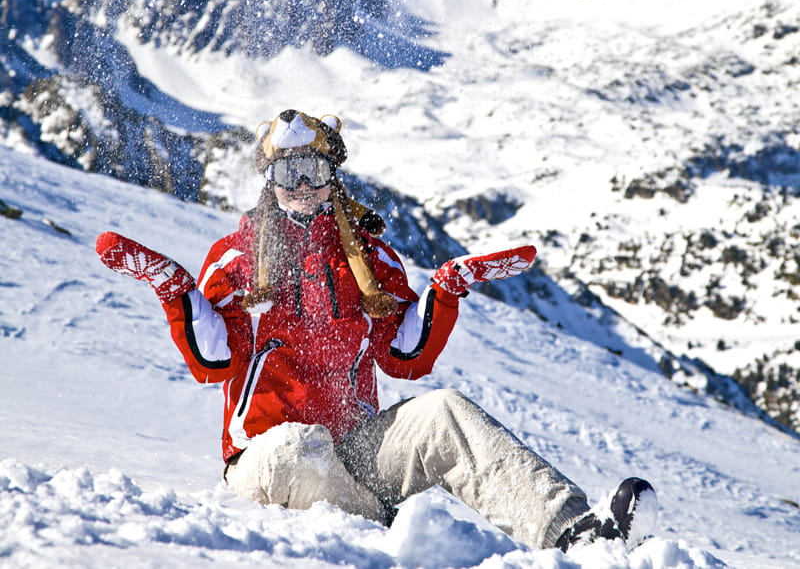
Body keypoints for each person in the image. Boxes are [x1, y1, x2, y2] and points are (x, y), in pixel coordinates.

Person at [96, 109, 658, 552]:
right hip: (266, 461)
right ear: (269, 181)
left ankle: (576, 535)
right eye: (286, 173)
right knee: (300, 446)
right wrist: (173, 288)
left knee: (444, 412)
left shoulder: (368, 259)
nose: (300, 186)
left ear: (329, 176)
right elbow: (212, 361)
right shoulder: (237, 258)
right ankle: (382, 535)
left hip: (357, 455)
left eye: (312, 171)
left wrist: (448, 288)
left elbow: (404, 357)